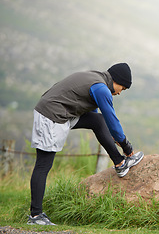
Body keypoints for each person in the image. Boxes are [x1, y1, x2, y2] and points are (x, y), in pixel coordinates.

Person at [27, 63, 144, 225]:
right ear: (116, 81)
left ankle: (120, 163)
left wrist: (110, 137)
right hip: (51, 115)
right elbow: (112, 120)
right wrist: (127, 146)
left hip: (59, 111)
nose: (119, 93)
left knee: (97, 121)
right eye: (122, 89)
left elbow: (95, 117)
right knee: (43, 164)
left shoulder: (96, 78)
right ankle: (35, 216)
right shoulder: (102, 89)